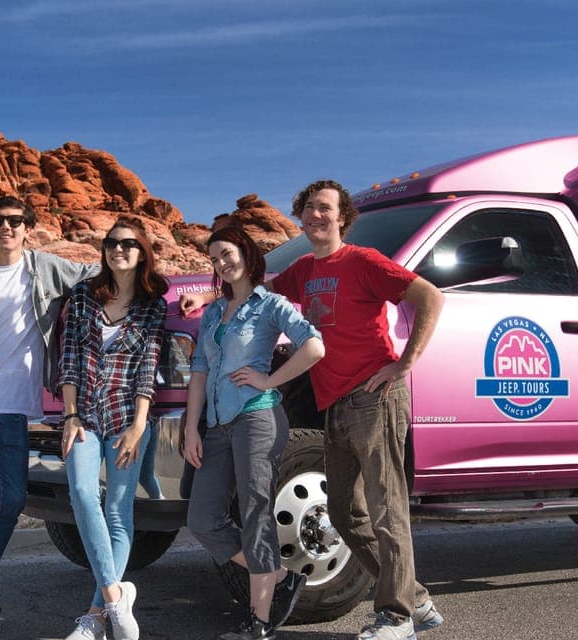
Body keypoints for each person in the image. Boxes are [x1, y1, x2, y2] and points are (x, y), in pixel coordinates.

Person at [181, 180, 445, 640]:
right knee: (344, 514)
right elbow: (253, 287)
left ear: (343, 216)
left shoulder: (363, 261)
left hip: (374, 394)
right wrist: (205, 297)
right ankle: (416, 597)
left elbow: (429, 297)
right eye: (307, 209)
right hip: (334, 402)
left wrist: (403, 365)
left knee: (387, 508)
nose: (315, 216)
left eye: (324, 208)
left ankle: (397, 617)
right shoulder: (303, 269)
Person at [0, 196, 99, 635]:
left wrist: (191, 294)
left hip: (13, 407)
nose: (6, 227)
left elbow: (104, 275)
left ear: (28, 228)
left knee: (12, 499)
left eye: (15, 221)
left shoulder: (46, 268)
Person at [183, 225, 325, 640]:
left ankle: (259, 623)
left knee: (253, 514)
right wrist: (192, 425)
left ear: (246, 252)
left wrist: (270, 380)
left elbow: (314, 346)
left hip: (257, 418)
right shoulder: (213, 312)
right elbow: (199, 371)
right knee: (203, 519)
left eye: (226, 254)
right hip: (217, 426)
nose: (221, 264)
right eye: (213, 259)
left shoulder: (271, 305)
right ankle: (278, 573)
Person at [57, 218, 168, 640]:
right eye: (110, 243)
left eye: (127, 244)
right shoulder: (85, 295)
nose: (117, 249)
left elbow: (147, 368)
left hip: (126, 419)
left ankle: (96, 616)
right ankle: (116, 598)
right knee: (83, 494)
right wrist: (69, 415)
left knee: (118, 513)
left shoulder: (152, 304)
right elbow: (69, 358)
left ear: (141, 251)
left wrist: (140, 425)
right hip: (83, 415)